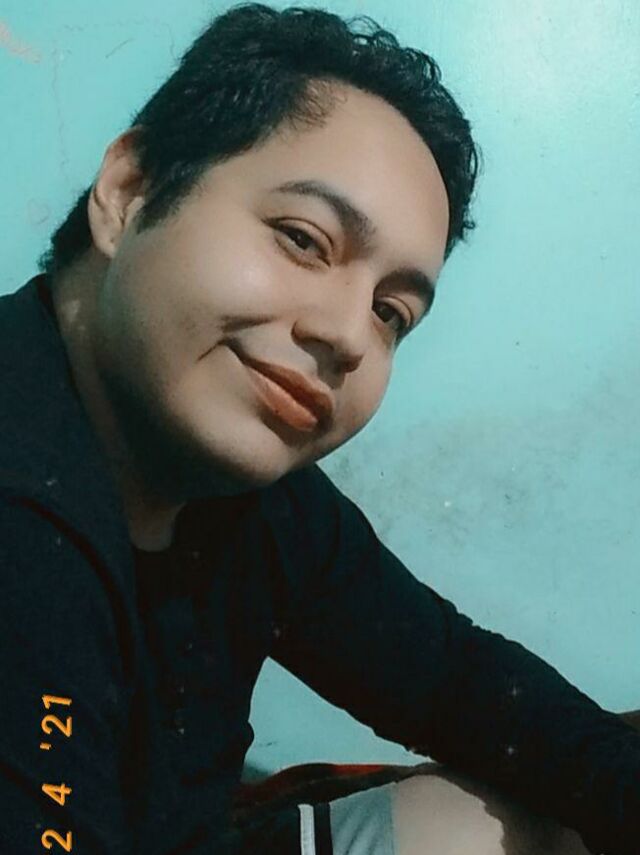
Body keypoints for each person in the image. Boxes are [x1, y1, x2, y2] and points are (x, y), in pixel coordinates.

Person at [1, 3, 638, 853]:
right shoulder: (23, 513)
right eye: (304, 240)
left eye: (391, 312)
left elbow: (453, 678)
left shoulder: (252, 499)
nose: (346, 334)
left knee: (498, 821)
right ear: (128, 193)